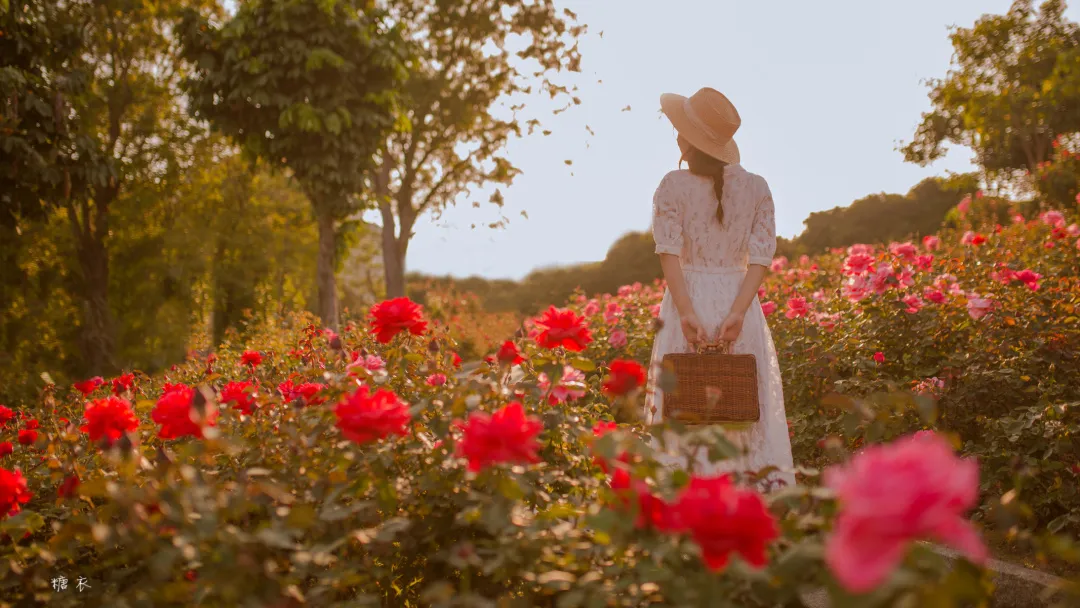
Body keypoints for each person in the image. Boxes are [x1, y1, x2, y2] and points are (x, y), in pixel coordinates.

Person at [645, 87, 795, 489]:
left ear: (687, 138)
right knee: (740, 406)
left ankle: (689, 498)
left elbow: (668, 253)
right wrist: (738, 313)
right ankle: (746, 497)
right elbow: (760, 258)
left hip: (687, 295)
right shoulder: (757, 187)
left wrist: (687, 313)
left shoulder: (673, 185)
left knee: (685, 405)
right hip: (737, 297)